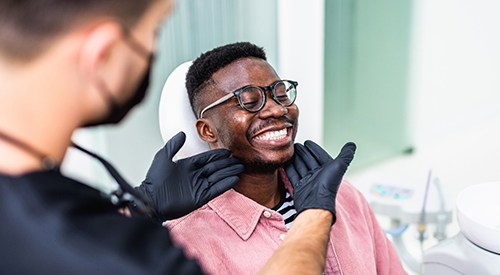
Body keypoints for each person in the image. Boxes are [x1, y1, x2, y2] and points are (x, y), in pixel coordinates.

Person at [0, 1, 355, 274]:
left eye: (279, 93)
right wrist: (314, 214)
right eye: (152, 32)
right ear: (103, 54)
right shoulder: (127, 255)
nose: (275, 109)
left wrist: (141, 204)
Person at [163, 42, 407, 275]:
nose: (277, 109)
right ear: (207, 131)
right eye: (249, 101)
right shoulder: (185, 245)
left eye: (281, 95)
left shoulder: (342, 196)